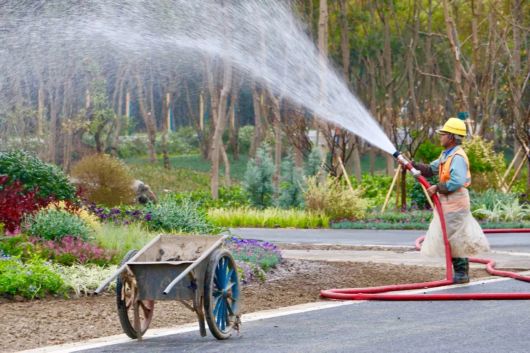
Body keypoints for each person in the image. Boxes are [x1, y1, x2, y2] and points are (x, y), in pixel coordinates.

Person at [412, 117, 490, 283]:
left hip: (456, 202)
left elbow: (457, 180)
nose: (441, 137)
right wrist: (412, 165)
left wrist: (437, 187)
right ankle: (459, 272)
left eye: (444, 134)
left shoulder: (458, 157)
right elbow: (431, 169)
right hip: (449, 203)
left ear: (452, 137)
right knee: (451, 237)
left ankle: (462, 273)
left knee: (456, 238)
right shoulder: (446, 155)